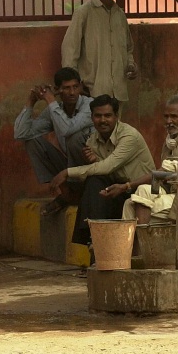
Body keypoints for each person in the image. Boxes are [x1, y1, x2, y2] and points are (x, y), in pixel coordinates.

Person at [49, 94, 155, 246]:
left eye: (107, 116)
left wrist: (67, 172)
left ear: (116, 117)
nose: (103, 120)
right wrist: (94, 161)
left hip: (139, 189)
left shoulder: (129, 135)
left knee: (96, 180)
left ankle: (94, 241)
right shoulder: (93, 139)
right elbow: (102, 169)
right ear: (92, 117)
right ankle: (93, 239)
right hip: (117, 188)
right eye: (98, 116)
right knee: (94, 182)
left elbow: (107, 167)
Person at [14, 67, 94, 215]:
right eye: (66, 88)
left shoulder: (89, 106)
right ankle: (67, 193)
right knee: (32, 142)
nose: (72, 93)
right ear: (58, 90)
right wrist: (30, 102)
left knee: (74, 137)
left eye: (75, 87)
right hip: (69, 169)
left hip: (94, 168)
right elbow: (21, 134)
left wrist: (50, 100)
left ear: (81, 87)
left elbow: (67, 130)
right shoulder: (56, 109)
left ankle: (72, 195)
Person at [61, 0, 138, 103]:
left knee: (117, 125)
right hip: (91, 90)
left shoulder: (119, 15)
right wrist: (74, 84)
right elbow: (70, 49)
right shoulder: (84, 12)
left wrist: (131, 65)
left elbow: (128, 48)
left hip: (118, 91)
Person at [118, 95, 178, 224]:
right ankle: (131, 243)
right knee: (130, 202)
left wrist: (127, 186)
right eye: (166, 116)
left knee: (140, 197)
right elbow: (164, 176)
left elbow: (163, 171)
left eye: (174, 116)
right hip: (170, 192)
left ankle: (142, 242)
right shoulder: (169, 142)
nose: (169, 121)